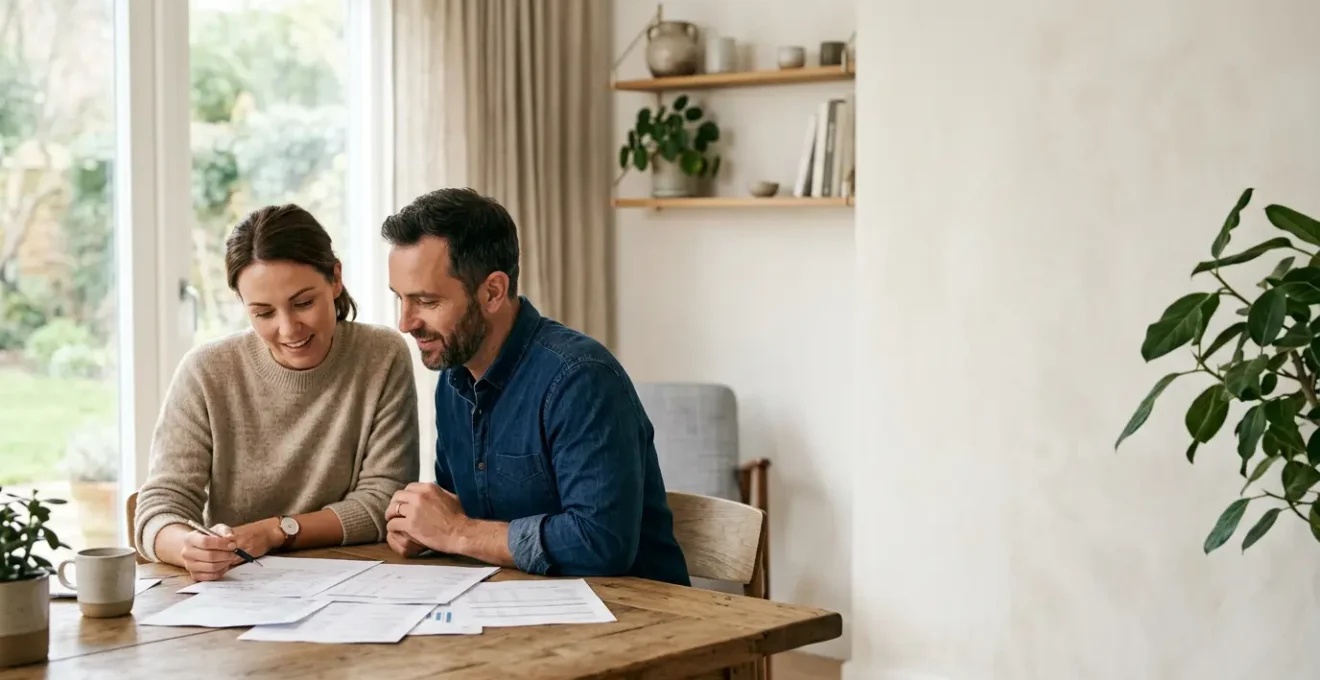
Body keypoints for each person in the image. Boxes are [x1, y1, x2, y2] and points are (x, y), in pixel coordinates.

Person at [380, 188, 690, 586]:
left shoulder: (581, 378)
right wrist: (423, 528)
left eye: (426, 301)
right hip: (514, 604)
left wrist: (456, 532)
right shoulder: (453, 379)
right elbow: (459, 515)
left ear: (492, 292)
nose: (405, 323)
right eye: (400, 299)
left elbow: (601, 543)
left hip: (637, 611)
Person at [133, 204, 421, 581]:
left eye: (303, 303)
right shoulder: (206, 371)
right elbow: (159, 508)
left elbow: (383, 500)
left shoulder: (381, 355)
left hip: (353, 579)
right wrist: (189, 547)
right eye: (263, 313)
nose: (288, 329)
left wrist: (275, 532)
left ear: (335, 279)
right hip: (237, 585)